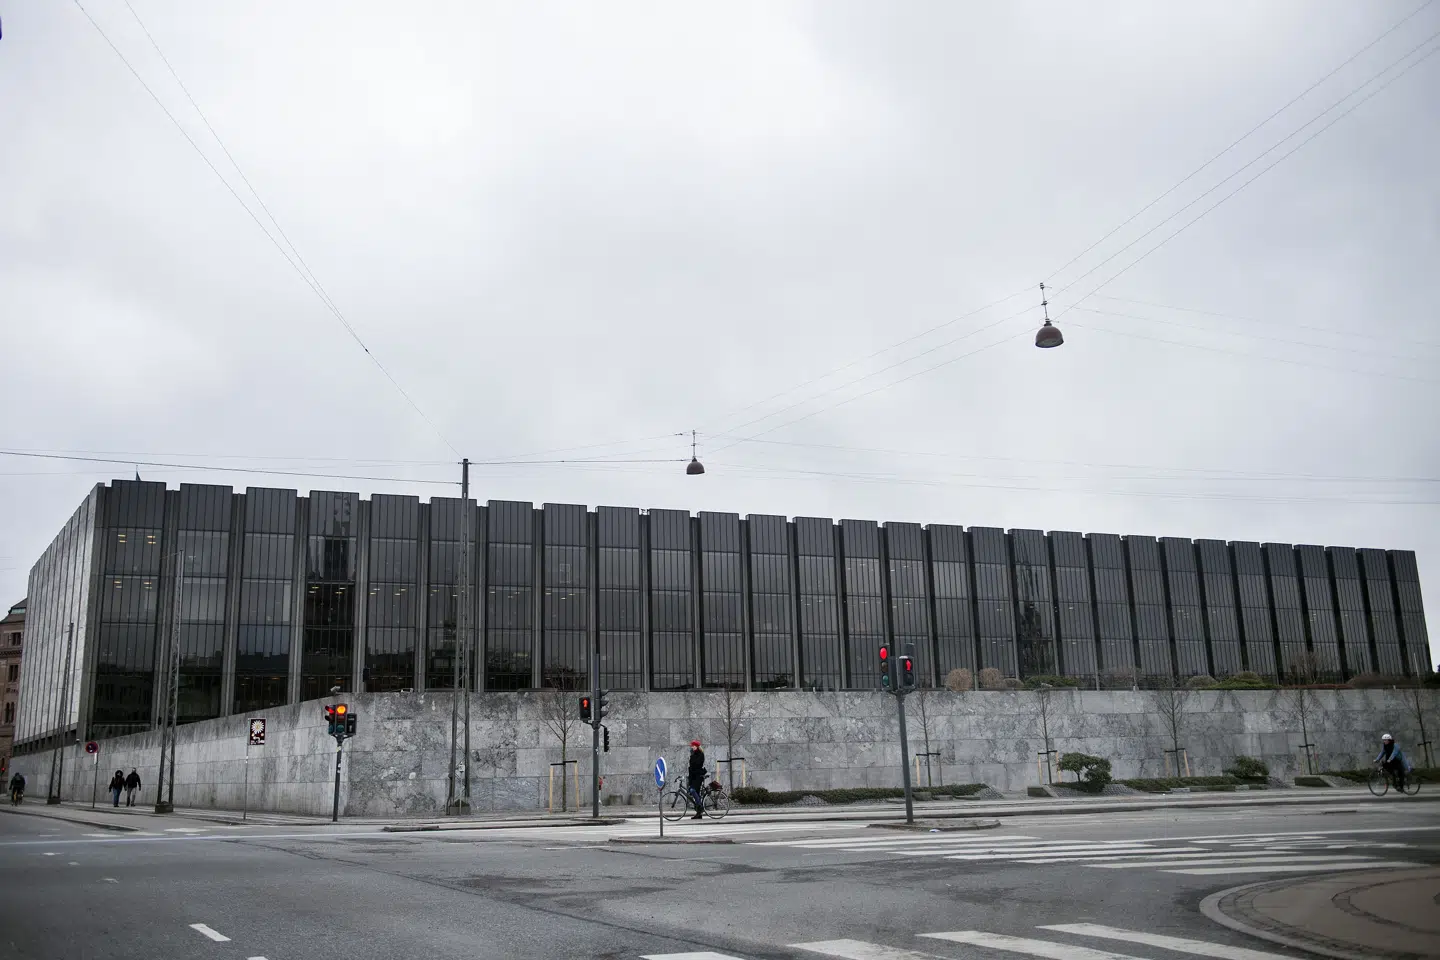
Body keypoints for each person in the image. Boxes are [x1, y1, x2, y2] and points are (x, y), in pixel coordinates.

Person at [687, 739, 707, 820]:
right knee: (696, 794)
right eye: (692, 746)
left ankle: (700, 807)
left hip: (698, 776)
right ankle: (699, 814)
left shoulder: (700, 754)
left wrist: (692, 757)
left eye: (693, 746)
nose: (692, 747)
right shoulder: (693, 754)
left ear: (697, 746)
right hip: (693, 776)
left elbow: (697, 764)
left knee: (692, 790)